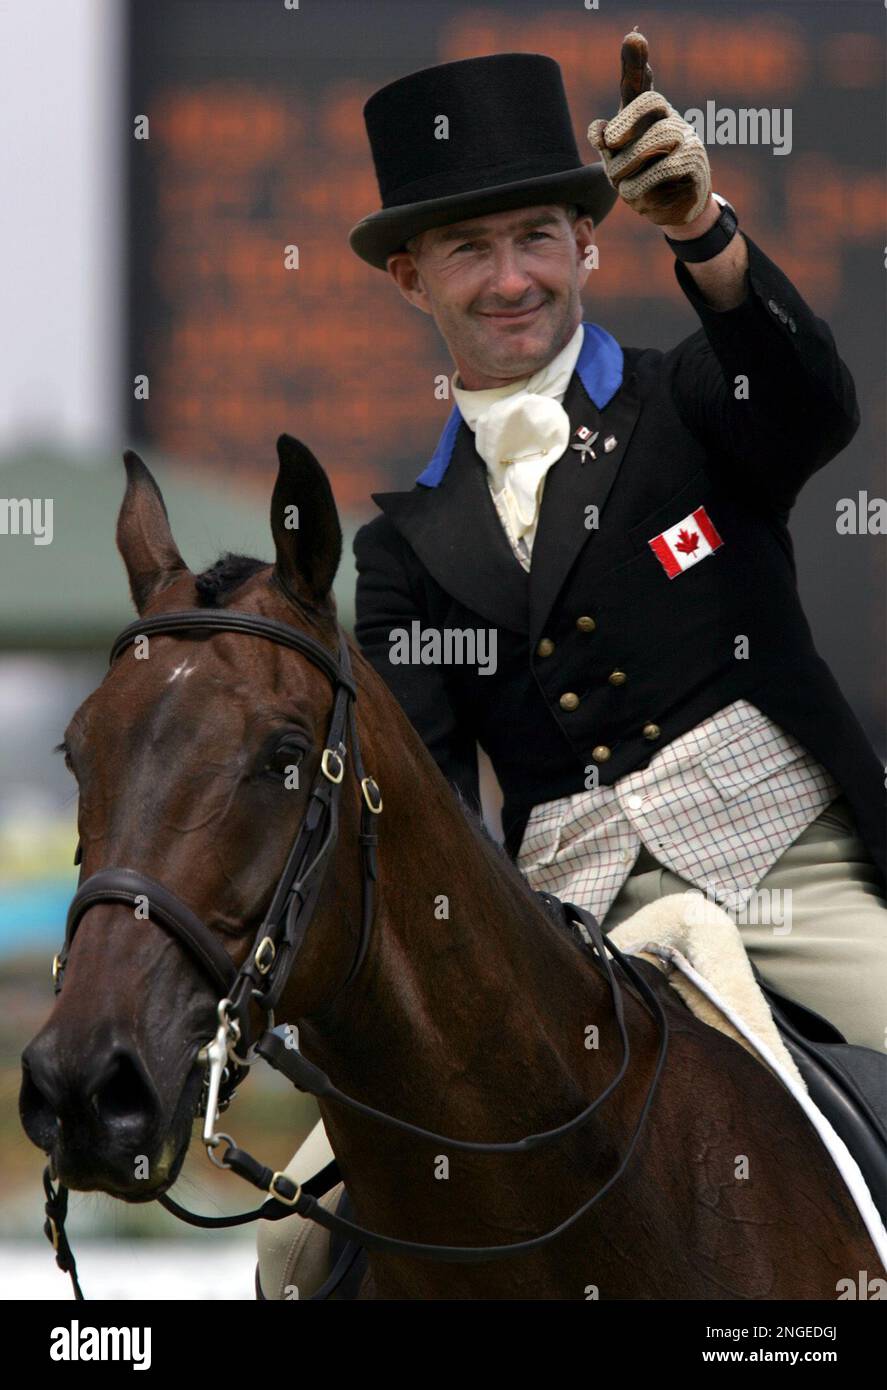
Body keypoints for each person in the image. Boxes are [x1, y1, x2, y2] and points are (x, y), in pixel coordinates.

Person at [256, 45, 886, 1300]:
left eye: (538, 236)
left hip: (784, 878)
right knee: (293, 1239)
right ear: (407, 275)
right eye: (468, 250)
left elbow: (812, 405)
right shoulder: (398, 554)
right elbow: (423, 815)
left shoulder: (692, 400)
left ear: (587, 245)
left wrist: (702, 229)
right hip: (564, 922)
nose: (512, 279)